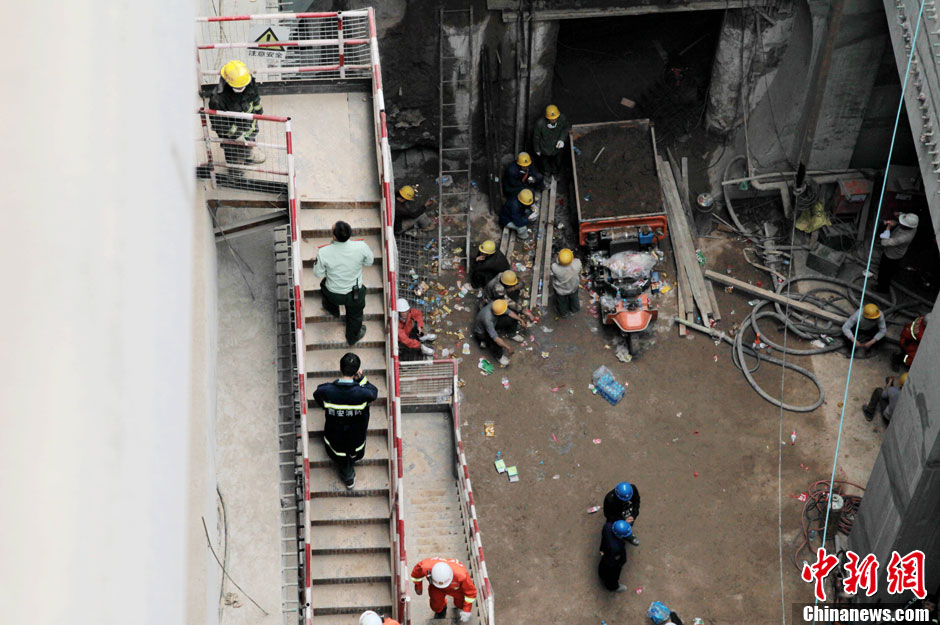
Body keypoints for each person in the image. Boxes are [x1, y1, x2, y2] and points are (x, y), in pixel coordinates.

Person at [312, 353, 379, 489]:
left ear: (340, 367)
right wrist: (362, 379)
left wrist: (325, 406)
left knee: (340, 455)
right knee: (351, 455)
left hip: (334, 434)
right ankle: (348, 473)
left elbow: (317, 395)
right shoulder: (363, 393)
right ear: (357, 371)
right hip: (356, 435)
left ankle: (348, 475)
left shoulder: (326, 390)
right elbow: (373, 392)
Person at [314, 221, 374, 345]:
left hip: (333, 293)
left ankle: (332, 310)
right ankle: (352, 337)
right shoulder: (361, 247)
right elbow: (369, 262)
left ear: (334, 236)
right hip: (355, 294)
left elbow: (318, 273)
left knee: (323, 286)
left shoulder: (323, 252)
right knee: (355, 316)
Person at [208, 60, 266, 166]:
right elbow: (219, 123)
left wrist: (258, 112)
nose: (241, 88)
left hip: (247, 123)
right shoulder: (217, 99)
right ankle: (235, 167)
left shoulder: (248, 81)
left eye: (242, 86)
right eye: (237, 87)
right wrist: (237, 135)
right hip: (230, 132)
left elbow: (255, 98)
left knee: (250, 138)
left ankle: (249, 155)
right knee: (232, 150)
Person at [410, 557, 477, 622]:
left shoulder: (461, 575)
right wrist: (418, 586)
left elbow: (471, 592)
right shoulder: (426, 567)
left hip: (456, 589)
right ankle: (441, 610)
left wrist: (466, 610)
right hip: (436, 588)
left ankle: (458, 605)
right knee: (436, 605)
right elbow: (416, 573)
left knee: (460, 604)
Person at [472, 299, 525, 367]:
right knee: (494, 342)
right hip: (482, 331)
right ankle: (499, 356)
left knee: (512, 318)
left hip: (494, 322)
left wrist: (521, 320)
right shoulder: (487, 319)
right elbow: (496, 339)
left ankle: (511, 334)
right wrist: (508, 347)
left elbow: (510, 313)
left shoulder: (497, 305)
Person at [876, 212, 919, 293]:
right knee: (890, 270)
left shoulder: (902, 238)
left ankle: (882, 289)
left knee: (884, 273)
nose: (901, 223)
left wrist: (888, 227)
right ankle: (890, 274)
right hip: (898, 253)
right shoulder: (913, 226)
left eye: (902, 223)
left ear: (907, 226)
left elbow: (884, 242)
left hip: (891, 256)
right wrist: (899, 214)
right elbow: (905, 218)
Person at [532, 104, 571, 178]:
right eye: (552, 119)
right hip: (545, 147)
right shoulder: (540, 124)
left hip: (557, 146)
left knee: (557, 161)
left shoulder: (562, 119)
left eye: (555, 118)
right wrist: (537, 149)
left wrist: (562, 139)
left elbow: (566, 128)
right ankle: (547, 173)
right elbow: (536, 137)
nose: (554, 120)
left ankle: (556, 173)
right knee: (544, 162)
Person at [598, 520, 633, 592]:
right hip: (611, 561)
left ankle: (601, 573)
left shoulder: (607, 527)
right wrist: (621, 562)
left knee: (603, 565)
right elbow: (616, 563)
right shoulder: (616, 548)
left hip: (605, 552)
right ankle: (613, 586)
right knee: (613, 575)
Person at [603, 481, 641, 546]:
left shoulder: (633, 489)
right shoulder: (610, 499)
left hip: (628, 515)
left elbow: (636, 501)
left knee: (627, 528)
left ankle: (628, 536)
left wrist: (633, 515)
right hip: (617, 518)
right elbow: (608, 514)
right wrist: (622, 521)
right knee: (614, 530)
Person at [550, 248, 582, 317]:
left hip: (561, 290)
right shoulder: (577, 263)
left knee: (561, 302)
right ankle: (575, 309)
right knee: (574, 298)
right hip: (573, 287)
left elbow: (555, 263)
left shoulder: (554, 267)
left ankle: (563, 313)